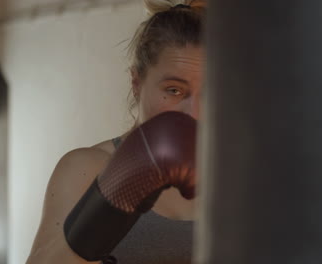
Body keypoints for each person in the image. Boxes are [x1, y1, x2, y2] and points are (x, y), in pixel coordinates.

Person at [26, 0, 205, 263]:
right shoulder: (87, 168)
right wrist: (119, 188)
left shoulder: (235, 178)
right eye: (174, 90)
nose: (193, 112)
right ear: (137, 83)